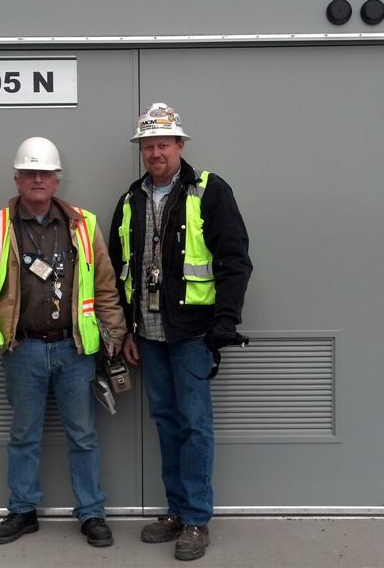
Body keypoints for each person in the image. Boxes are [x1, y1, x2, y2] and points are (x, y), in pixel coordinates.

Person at [0, 136, 126, 548]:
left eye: (45, 173)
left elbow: (105, 287)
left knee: (84, 435)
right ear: (17, 179)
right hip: (24, 351)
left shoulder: (84, 226)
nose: (38, 180)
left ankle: (91, 512)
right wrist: (0, 340)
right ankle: (22, 510)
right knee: (23, 435)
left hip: (75, 350)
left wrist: (114, 336)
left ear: (57, 180)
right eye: (30, 173)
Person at [108, 103, 252, 561]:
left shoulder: (209, 191)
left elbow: (235, 258)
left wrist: (226, 320)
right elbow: (118, 270)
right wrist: (128, 329)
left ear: (180, 146)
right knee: (167, 423)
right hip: (148, 335)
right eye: (147, 145)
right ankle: (174, 512)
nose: (155, 152)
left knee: (195, 426)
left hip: (192, 334)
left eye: (163, 144)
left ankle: (195, 519)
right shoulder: (131, 200)